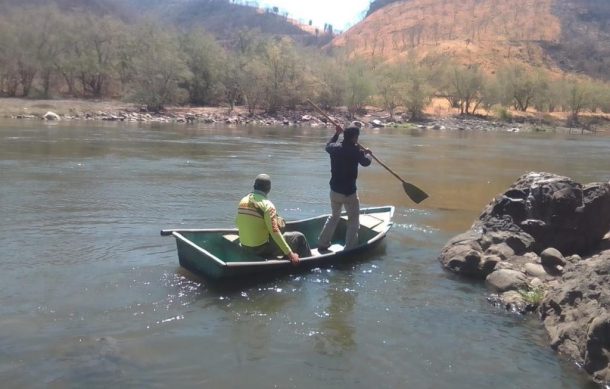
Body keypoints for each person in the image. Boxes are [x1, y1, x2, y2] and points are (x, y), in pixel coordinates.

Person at [317, 121, 372, 251]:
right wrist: (369, 154)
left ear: (344, 135)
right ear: (354, 138)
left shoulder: (335, 148)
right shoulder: (356, 151)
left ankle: (323, 243)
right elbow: (366, 163)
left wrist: (336, 134)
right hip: (349, 193)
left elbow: (327, 145)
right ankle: (350, 248)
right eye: (356, 137)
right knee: (353, 220)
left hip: (334, 191)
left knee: (334, 216)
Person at [236, 174, 311, 265]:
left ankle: (284, 259)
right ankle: (306, 266)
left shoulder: (243, 201)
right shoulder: (268, 205)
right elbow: (274, 232)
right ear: (269, 189)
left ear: (254, 186)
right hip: (260, 249)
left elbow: (237, 223)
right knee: (299, 237)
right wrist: (290, 254)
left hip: (244, 246)